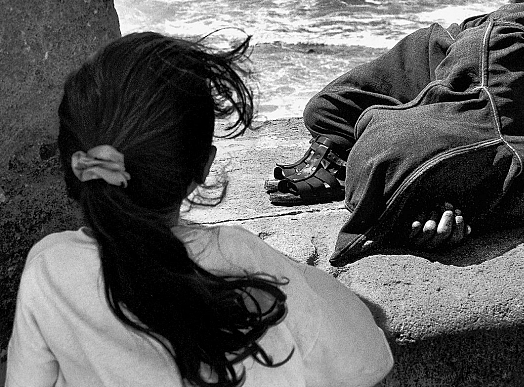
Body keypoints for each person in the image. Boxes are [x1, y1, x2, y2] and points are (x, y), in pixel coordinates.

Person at [6, 32, 394, 387]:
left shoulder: (49, 269)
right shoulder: (241, 258)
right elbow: (370, 359)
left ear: (75, 163)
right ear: (203, 167)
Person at [266, 2, 524, 267]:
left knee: (334, 120)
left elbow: (497, 207)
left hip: (450, 117)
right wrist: (458, 54)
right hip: (445, 62)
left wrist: (441, 217)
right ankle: (361, 160)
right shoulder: (494, 49)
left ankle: (357, 164)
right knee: (322, 109)